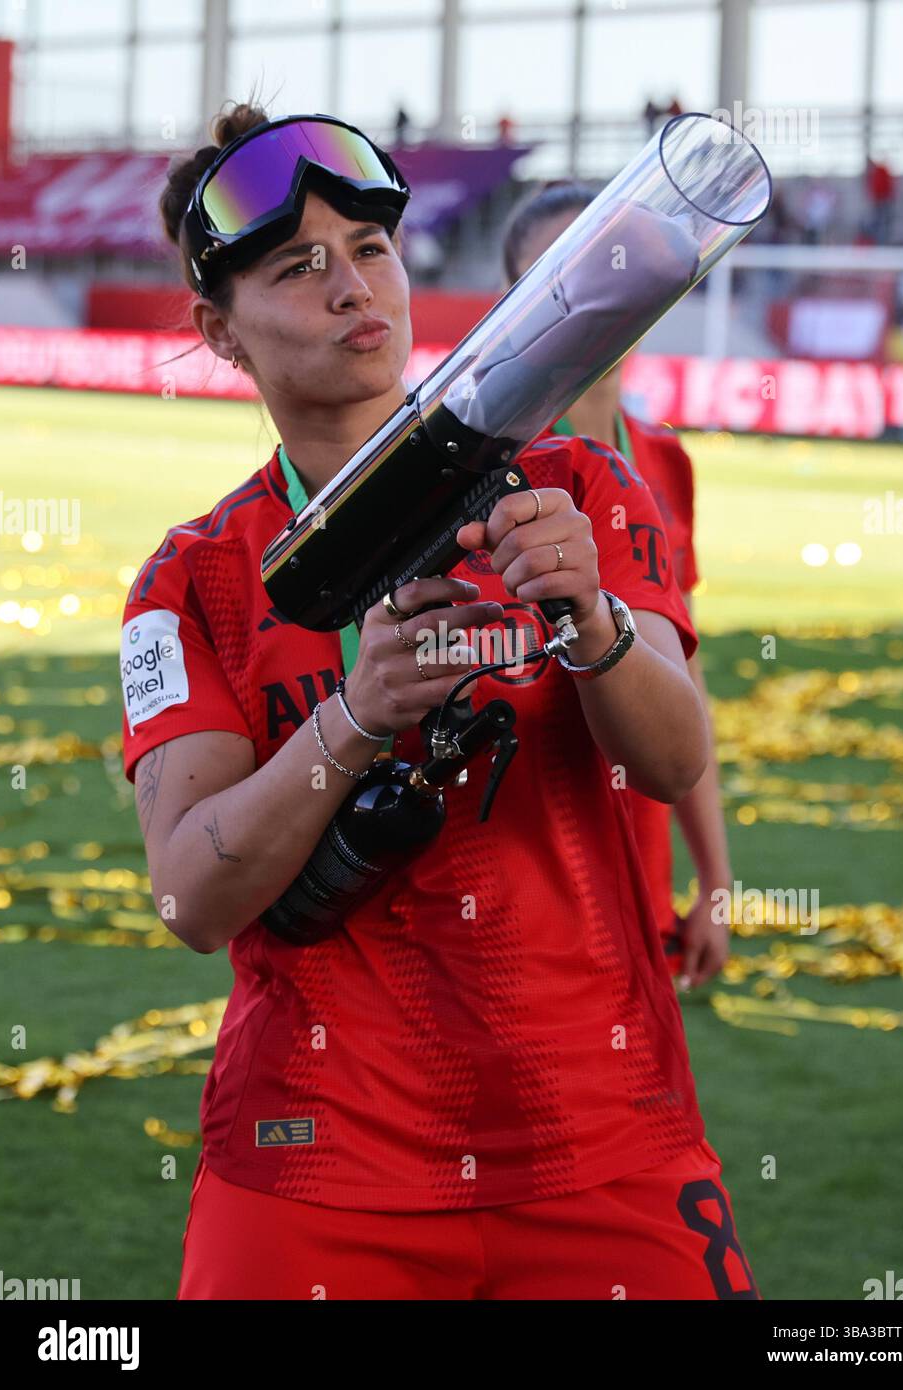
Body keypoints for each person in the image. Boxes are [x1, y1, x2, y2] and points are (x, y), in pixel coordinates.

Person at [123, 100, 759, 1300]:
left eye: (370, 249)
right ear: (219, 330)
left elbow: (674, 760)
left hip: (604, 1135)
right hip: (316, 1157)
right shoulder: (192, 579)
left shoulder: (576, 483)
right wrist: (354, 715)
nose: (350, 286)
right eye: (297, 266)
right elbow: (191, 897)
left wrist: (593, 620)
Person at [500, 182, 733, 990]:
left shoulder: (662, 458)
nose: (596, 288)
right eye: (560, 271)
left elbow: (684, 670)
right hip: (531, 858)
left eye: (614, 262)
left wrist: (716, 876)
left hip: (642, 829)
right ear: (514, 300)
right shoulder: (494, 462)